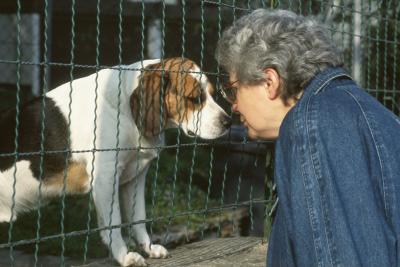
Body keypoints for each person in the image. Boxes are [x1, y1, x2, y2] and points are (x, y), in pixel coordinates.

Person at [216, 9, 400, 267]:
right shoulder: (377, 115)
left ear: (270, 81)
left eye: (233, 90)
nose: (234, 106)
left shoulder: (311, 125)